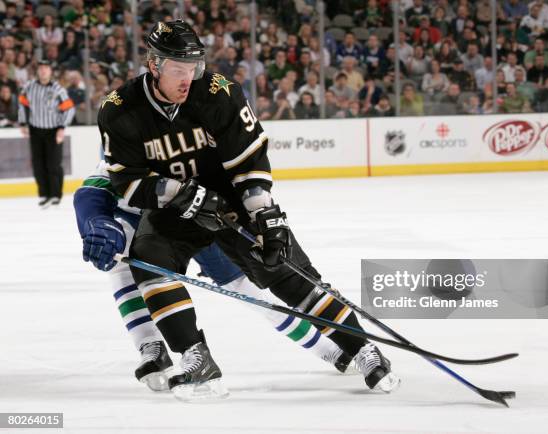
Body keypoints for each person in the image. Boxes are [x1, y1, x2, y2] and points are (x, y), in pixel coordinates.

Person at [98, 20, 399, 401]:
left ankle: (362, 349)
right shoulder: (120, 109)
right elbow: (127, 180)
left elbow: (249, 161)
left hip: (230, 202)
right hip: (174, 208)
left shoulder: (219, 93)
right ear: (154, 65)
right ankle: (196, 358)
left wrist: (263, 213)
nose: (188, 79)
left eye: (194, 68)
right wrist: (178, 193)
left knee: (284, 267)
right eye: (178, 70)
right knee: (147, 259)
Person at [73, 162, 354, 391]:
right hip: (150, 231)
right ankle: (151, 346)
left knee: (249, 290)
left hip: (195, 226)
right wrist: (97, 224)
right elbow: (90, 193)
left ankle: (328, 349)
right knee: (121, 262)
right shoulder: (123, 155)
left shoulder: (178, 152)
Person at [18, 59, 75, 208]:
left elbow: (69, 108)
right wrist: (23, 123)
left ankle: (55, 195)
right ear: (37, 71)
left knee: (53, 164)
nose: (43, 70)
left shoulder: (58, 89)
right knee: (38, 164)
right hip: (35, 130)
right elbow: (22, 104)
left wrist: (62, 127)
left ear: (50, 71)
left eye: (46, 68)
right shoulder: (29, 87)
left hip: (53, 130)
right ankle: (44, 194)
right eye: (41, 68)